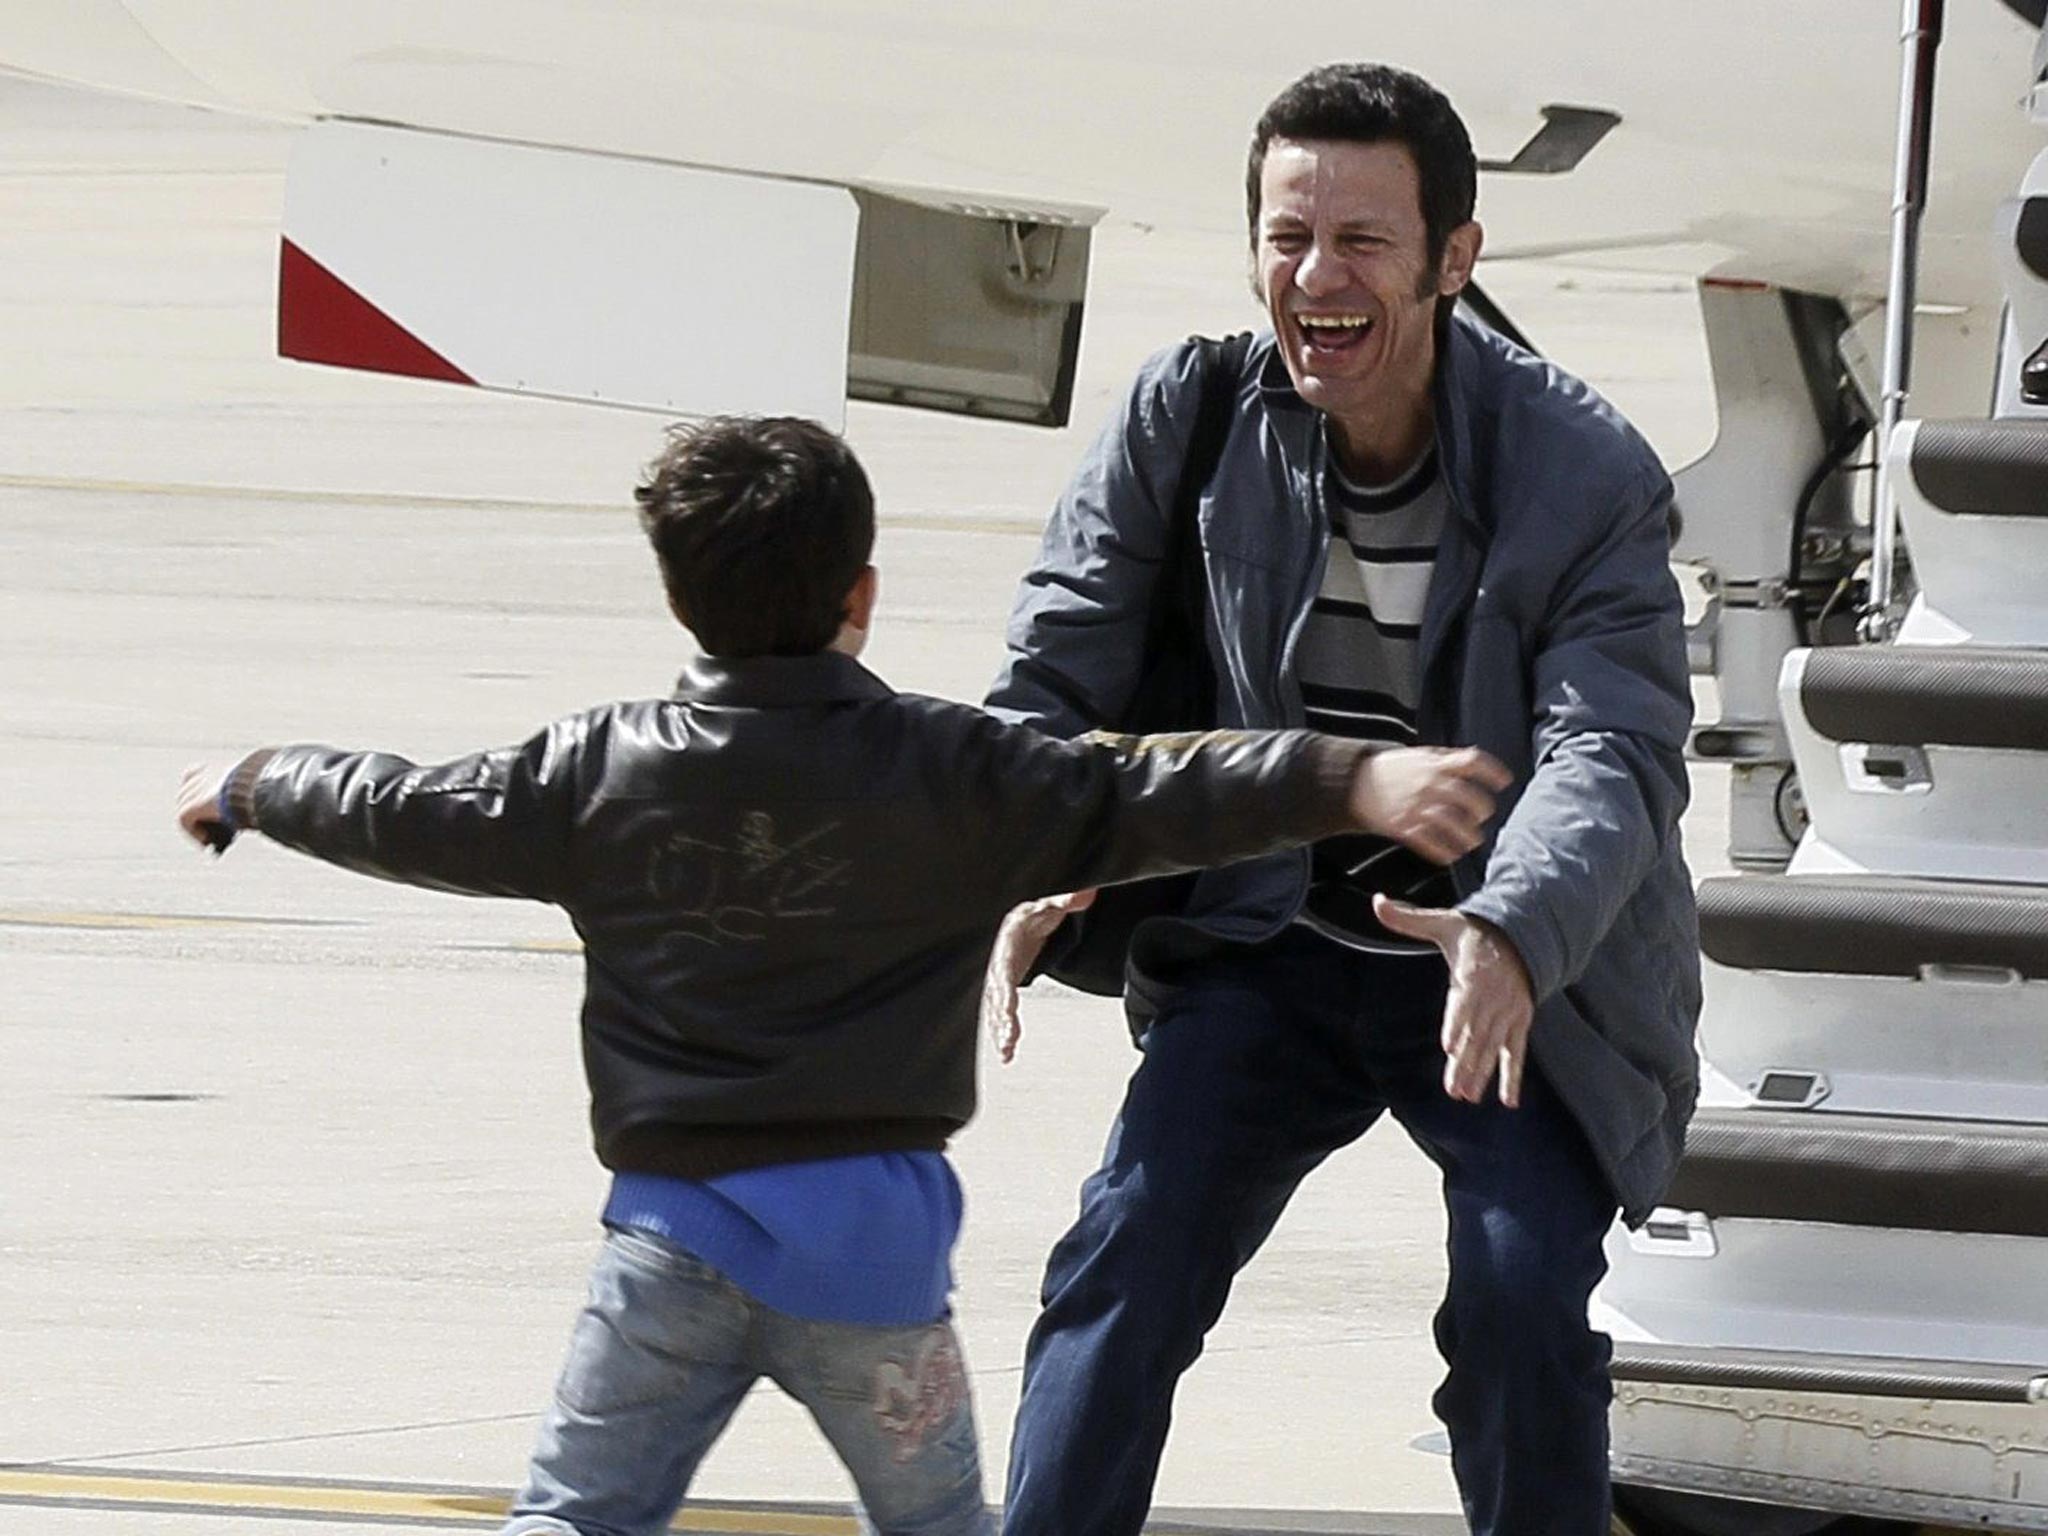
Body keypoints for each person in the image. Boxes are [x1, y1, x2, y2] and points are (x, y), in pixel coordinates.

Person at [173, 416, 1510, 1536]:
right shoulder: (948, 773)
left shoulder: (595, 772)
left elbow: (401, 807)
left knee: (576, 1516)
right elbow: (1159, 786)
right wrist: (1356, 773)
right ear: (860, 597)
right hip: (874, 1276)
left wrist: (251, 782)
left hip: (669, 1251)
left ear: (677, 593)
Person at [984, 63, 1701, 1536]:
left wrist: (1509, 929)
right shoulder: (1186, 420)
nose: (1317, 278)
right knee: (1122, 1267)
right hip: (1270, 946)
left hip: (1508, 975)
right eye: (1286, 236)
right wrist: (1029, 846)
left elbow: (1612, 750)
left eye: (1364, 242)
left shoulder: (1583, 470)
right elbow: (1053, 677)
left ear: (1454, 258)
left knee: (1521, 1331)